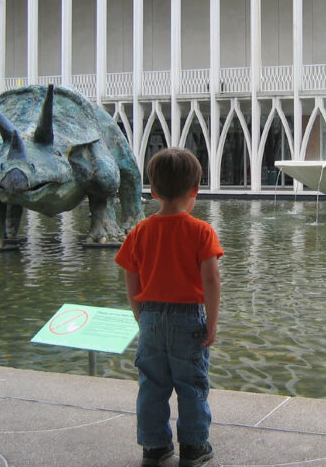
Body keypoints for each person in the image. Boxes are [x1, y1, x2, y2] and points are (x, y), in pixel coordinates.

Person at [115, 148, 223, 467]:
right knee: (191, 386)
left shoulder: (139, 232)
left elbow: (131, 280)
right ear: (195, 190)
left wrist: (141, 316)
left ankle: (155, 447)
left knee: (152, 386)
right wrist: (212, 323)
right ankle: (193, 448)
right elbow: (211, 281)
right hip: (188, 320)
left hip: (150, 318)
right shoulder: (201, 231)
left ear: (153, 191)